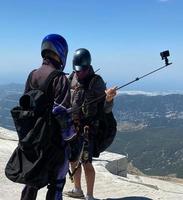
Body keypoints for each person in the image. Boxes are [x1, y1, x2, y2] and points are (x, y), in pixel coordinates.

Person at [20, 34, 75, 200]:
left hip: (32, 140)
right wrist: (72, 136)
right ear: (61, 52)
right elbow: (62, 115)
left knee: (31, 183)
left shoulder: (32, 75)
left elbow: (24, 106)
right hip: (53, 144)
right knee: (57, 184)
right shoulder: (60, 79)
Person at [65, 48, 117, 200]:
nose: (79, 73)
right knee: (73, 160)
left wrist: (109, 99)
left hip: (88, 129)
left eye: (82, 70)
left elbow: (105, 109)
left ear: (88, 66)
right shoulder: (71, 77)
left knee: (86, 162)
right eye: (76, 70)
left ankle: (90, 196)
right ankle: (77, 189)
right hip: (72, 127)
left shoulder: (96, 82)